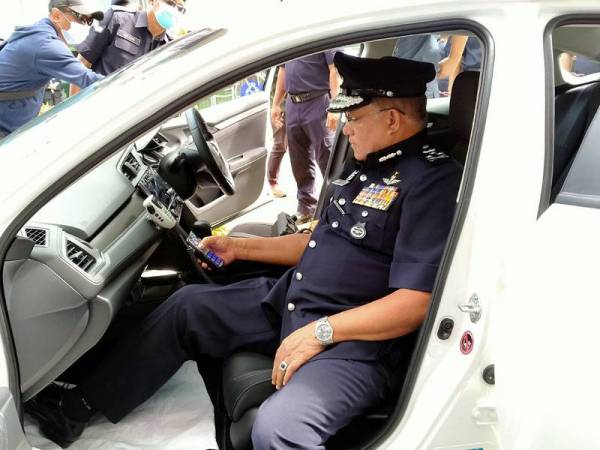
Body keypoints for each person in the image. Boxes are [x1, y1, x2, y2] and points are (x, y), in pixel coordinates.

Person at [27, 53, 463, 449]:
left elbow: (416, 302)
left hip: (352, 343)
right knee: (187, 307)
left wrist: (321, 332)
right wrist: (239, 246)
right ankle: (75, 409)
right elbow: (317, 245)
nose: (342, 126)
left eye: (354, 116)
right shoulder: (366, 167)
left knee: (280, 430)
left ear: (391, 120)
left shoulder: (430, 183)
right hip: (292, 303)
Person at [0, 0, 104, 138]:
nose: (83, 24)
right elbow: (89, 79)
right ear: (56, 15)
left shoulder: (37, 34)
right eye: (79, 17)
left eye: (88, 21)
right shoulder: (45, 44)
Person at [271, 51, 340, 223]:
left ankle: (339, 205)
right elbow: (283, 71)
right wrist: (276, 103)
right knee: (299, 160)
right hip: (293, 105)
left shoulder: (321, 33)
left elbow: (335, 69)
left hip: (318, 102)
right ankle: (306, 207)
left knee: (327, 157)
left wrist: (335, 105)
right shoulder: (290, 39)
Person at [70, 0, 185, 95]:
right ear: (152, 1)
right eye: (170, 3)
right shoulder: (116, 19)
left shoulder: (169, 48)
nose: (174, 10)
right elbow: (81, 65)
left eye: (180, 8)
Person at [267, 66, 288, 198]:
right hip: (281, 104)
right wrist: (276, 105)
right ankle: (272, 182)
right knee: (280, 145)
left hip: (298, 104)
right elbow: (283, 73)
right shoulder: (282, 65)